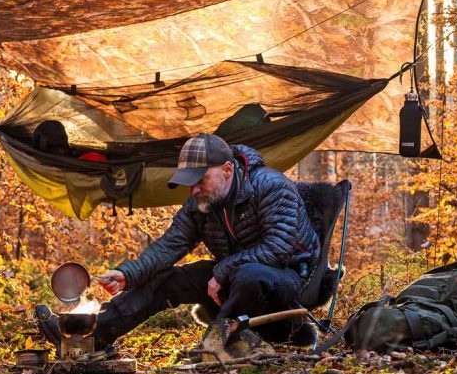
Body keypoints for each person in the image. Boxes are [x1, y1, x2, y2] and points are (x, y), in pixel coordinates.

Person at [37, 133, 320, 349]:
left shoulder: (271, 186)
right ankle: (87, 336)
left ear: (227, 170)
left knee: (249, 275)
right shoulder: (201, 201)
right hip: (237, 278)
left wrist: (222, 271)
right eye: (189, 181)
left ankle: (217, 347)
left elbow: (279, 248)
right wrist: (127, 274)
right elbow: (170, 245)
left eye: (200, 179)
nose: (194, 188)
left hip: (290, 279)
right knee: (166, 279)